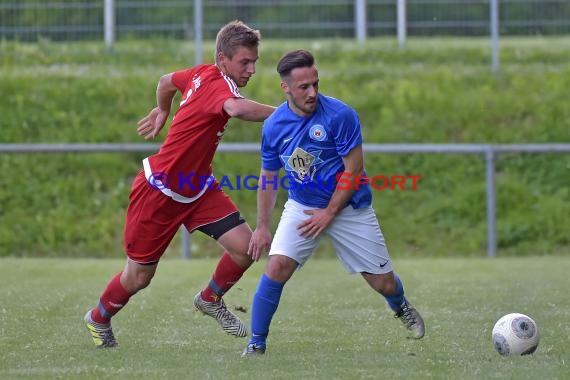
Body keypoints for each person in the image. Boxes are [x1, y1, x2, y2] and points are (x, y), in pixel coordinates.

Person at [84, 20, 275, 348]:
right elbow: (237, 108)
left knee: (247, 249)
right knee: (139, 277)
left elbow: (166, 81)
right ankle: (98, 318)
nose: (252, 69)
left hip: (197, 187)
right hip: (159, 192)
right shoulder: (218, 86)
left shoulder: (202, 73)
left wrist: (162, 108)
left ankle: (209, 299)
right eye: (245, 61)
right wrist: (291, 113)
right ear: (222, 59)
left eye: (254, 61)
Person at [242, 50, 425, 356]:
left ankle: (400, 306)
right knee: (277, 266)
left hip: (350, 208)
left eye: (315, 83)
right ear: (285, 88)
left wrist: (329, 213)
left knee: (384, 284)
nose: (312, 92)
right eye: (304, 87)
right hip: (302, 206)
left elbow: (354, 171)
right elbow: (268, 176)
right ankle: (256, 344)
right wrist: (261, 226)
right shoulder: (274, 125)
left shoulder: (340, 116)